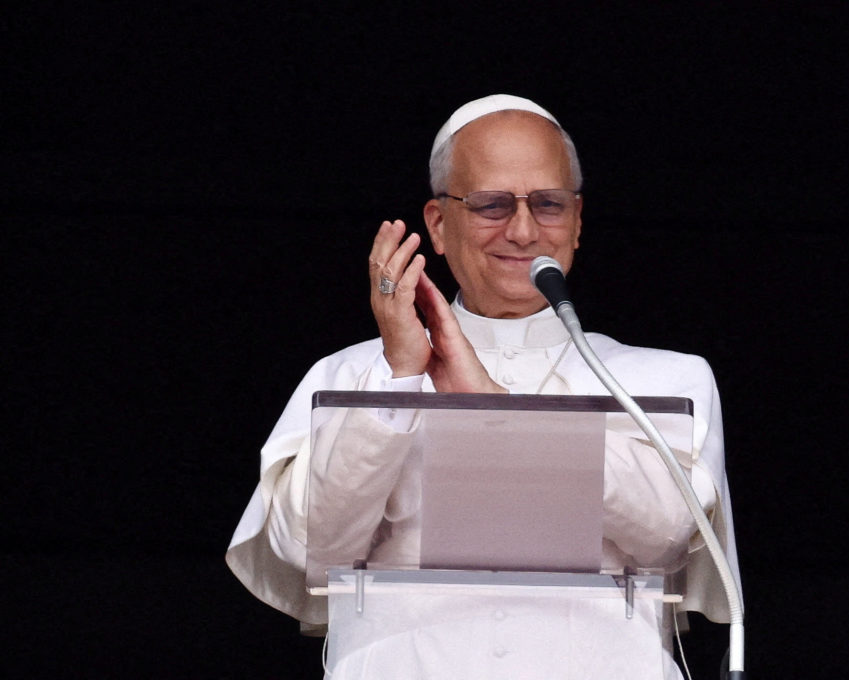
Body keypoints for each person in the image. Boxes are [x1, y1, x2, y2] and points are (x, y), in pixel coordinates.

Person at [227, 94, 741, 679]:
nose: (523, 231)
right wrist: (398, 378)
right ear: (439, 226)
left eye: (548, 204)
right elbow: (313, 548)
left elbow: (668, 536)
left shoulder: (665, 378)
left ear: (576, 223)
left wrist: (493, 407)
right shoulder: (349, 376)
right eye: (492, 205)